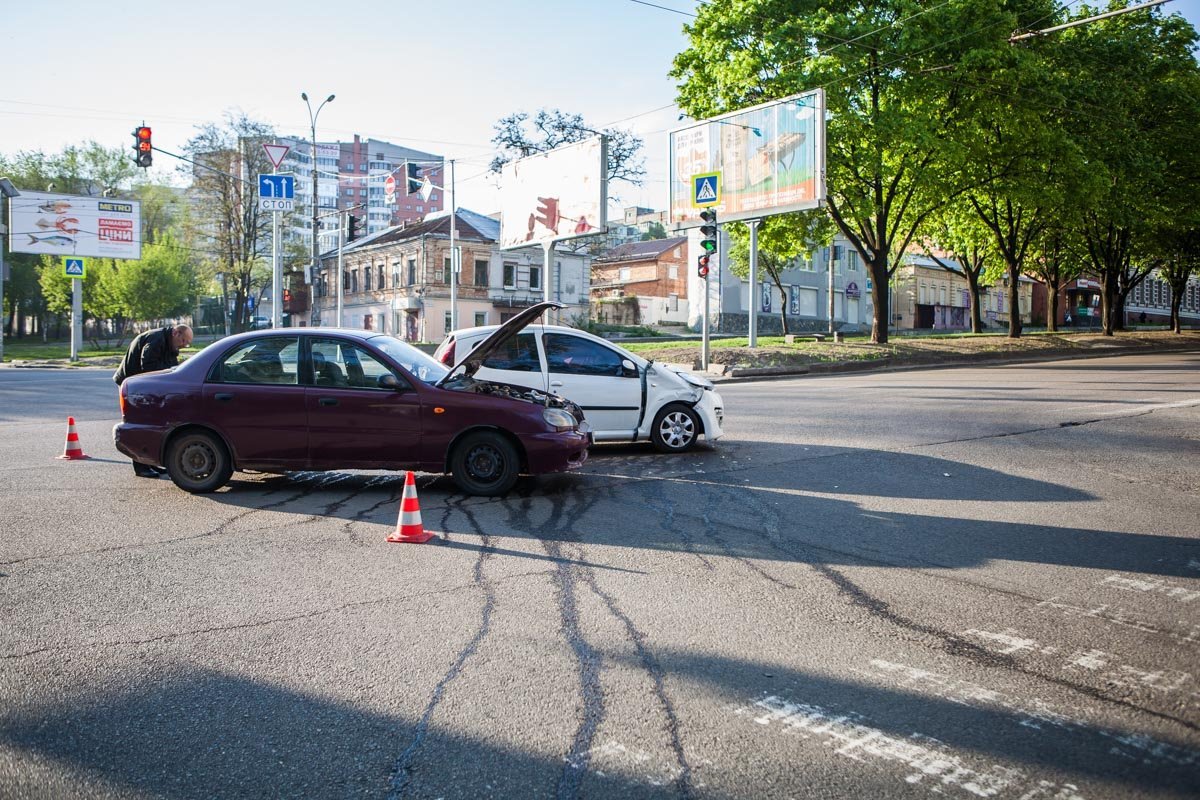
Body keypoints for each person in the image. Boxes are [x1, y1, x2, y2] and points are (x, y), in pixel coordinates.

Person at [113, 324, 193, 477]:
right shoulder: (155, 340)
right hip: (131, 385)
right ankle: (141, 467)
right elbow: (148, 366)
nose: (184, 345)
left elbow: (172, 366)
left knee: (153, 423)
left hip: (142, 385)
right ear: (176, 333)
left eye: (187, 343)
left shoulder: (170, 343)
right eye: (183, 340)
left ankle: (151, 463)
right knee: (141, 422)